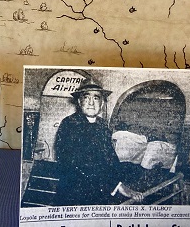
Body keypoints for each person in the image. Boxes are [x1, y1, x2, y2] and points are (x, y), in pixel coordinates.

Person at [54, 77, 143, 205]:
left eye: (96, 98)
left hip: (100, 193)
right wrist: (117, 186)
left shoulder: (102, 125)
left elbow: (111, 159)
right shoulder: (69, 124)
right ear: (79, 102)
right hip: (74, 196)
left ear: (102, 103)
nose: (91, 103)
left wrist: (122, 184)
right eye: (86, 97)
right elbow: (77, 164)